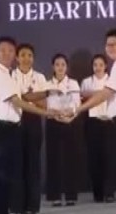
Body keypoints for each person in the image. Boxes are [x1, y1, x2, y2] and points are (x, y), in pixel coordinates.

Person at [62, 28, 116, 214]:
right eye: (107, 44)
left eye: (114, 44)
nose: (110, 48)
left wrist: (78, 109)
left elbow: (105, 93)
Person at [0, 36, 57, 214]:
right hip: (0, 128)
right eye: (3, 50)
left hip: (11, 128)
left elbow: (25, 97)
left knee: (8, 175)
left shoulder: (8, 75)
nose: (7, 54)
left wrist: (49, 97)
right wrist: (47, 113)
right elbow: (18, 101)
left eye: (10, 50)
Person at [10, 44, 48, 214]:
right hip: (14, 121)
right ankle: (17, 205)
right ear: (17, 58)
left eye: (30, 55)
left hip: (34, 121)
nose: (26, 58)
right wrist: (30, 98)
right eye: (23, 55)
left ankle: (33, 206)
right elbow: (11, 99)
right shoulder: (10, 76)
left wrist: (25, 97)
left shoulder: (39, 78)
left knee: (33, 163)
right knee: (16, 163)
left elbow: (44, 103)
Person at [44, 54, 82, 207]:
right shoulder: (46, 85)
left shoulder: (73, 83)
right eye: (57, 64)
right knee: (53, 159)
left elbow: (77, 104)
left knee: (70, 159)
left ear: (67, 67)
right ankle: (55, 196)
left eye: (63, 65)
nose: (60, 67)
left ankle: (71, 195)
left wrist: (69, 114)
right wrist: (56, 113)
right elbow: (46, 105)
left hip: (70, 122)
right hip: (52, 123)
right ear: (53, 67)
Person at [80, 55, 116, 203]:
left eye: (101, 64)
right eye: (95, 65)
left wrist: (95, 94)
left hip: (109, 121)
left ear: (105, 66)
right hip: (92, 122)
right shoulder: (86, 82)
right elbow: (82, 96)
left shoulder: (112, 80)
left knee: (109, 158)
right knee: (94, 158)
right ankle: (98, 193)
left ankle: (109, 192)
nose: (98, 67)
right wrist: (99, 93)